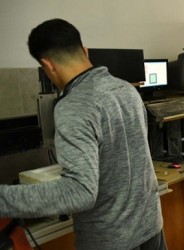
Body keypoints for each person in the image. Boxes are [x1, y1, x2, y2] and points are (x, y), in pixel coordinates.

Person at [0, 19, 166, 250]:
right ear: (85, 51)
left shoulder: (73, 106)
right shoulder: (126, 89)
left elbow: (80, 192)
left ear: (48, 66)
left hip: (110, 239)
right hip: (150, 227)